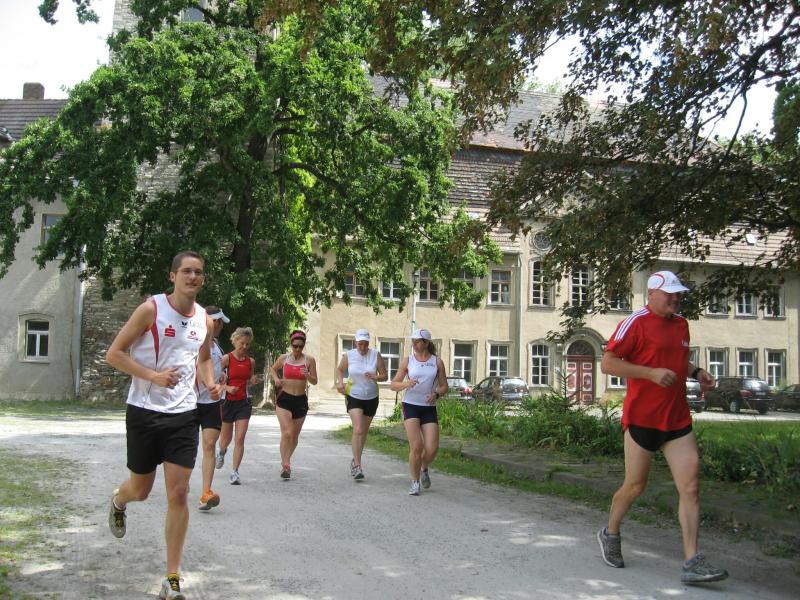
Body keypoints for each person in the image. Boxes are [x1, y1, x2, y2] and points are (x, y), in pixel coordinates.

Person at [598, 270, 728, 584]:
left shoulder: (681, 324)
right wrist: (650, 373)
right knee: (635, 486)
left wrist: (696, 373)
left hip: (677, 420)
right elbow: (608, 363)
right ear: (652, 294)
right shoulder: (635, 323)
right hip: (642, 419)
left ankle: (692, 561)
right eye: (670, 293)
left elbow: (677, 358)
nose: (676, 297)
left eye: (678, 292)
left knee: (691, 487)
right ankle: (610, 532)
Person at [106, 250, 221, 600]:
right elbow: (114, 354)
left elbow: (203, 359)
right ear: (173, 276)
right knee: (141, 490)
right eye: (186, 271)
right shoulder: (151, 309)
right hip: (144, 411)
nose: (193, 277)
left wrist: (210, 382)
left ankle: (172, 578)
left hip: (184, 415)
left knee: (179, 493)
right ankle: (119, 500)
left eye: (198, 272)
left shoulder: (205, 321)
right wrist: (153, 376)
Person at [389, 328, 448, 496]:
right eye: (413, 341)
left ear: (426, 343)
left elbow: (444, 386)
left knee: (432, 448)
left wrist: (436, 394)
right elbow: (393, 384)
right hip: (411, 405)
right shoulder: (408, 361)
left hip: (428, 407)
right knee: (416, 446)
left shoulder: (437, 362)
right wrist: (406, 384)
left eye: (417, 341)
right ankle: (415, 482)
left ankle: (423, 467)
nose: (414, 344)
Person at [335, 329, 388, 480]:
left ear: (368, 343)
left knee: (363, 431)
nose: (363, 347)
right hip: (354, 395)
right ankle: (357, 465)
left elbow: (385, 376)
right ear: (355, 343)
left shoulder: (376, 355)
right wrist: (340, 383)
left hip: (371, 397)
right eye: (360, 344)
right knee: (358, 428)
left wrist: (376, 377)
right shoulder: (349, 355)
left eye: (365, 344)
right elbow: (340, 369)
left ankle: (356, 458)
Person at [269, 329, 318, 479]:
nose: (297, 349)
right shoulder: (284, 358)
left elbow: (315, 381)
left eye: (300, 346)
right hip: (284, 398)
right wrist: (276, 379)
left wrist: (308, 375)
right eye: (295, 346)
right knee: (287, 432)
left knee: (294, 437)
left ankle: (286, 459)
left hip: (300, 400)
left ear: (304, 346)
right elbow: (273, 369)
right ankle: (286, 465)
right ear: (291, 344)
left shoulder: (309, 360)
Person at [195, 305, 230, 510]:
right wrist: (208, 383)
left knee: (209, 445)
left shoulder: (216, 346)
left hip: (211, 403)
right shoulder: (194, 341)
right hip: (190, 402)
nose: (221, 326)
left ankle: (205, 493)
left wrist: (221, 376)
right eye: (220, 323)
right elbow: (196, 366)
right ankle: (179, 483)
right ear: (214, 322)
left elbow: (214, 366)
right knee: (187, 448)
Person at [215, 327, 258, 485]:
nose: (245, 347)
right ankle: (221, 452)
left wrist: (252, 380)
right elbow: (214, 379)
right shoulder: (226, 359)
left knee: (240, 438)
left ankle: (235, 472)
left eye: (247, 344)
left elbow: (249, 378)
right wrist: (226, 388)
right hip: (227, 402)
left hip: (243, 403)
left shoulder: (250, 361)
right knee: (225, 439)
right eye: (242, 343)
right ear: (235, 341)